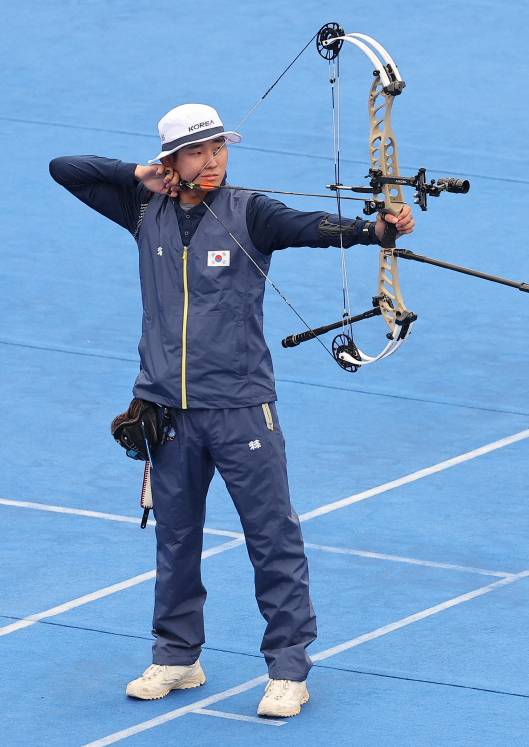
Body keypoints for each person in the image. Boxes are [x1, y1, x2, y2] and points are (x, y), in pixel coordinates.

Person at [50, 103, 414, 718]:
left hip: (242, 407)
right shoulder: (143, 209)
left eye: (219, 148)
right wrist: (140, 173)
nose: (214, 160)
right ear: (172, 162)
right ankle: (177, 654)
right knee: (176, 536)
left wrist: (379, 230)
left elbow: (316, 226)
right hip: (167, 410)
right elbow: (66, 169)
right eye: (198, 152)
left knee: (272, 536)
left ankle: (289, 667)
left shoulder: (253, 212)